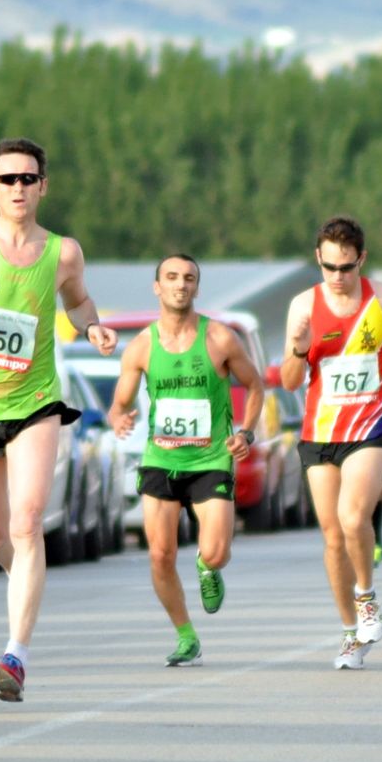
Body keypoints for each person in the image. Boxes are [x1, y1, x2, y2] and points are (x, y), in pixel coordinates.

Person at [0, 137, 117, 702]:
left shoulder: (63, 252)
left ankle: (16, 653)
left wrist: (93, 327)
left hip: (35, 401)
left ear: (43, 186)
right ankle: (27, 587)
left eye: (28, 179)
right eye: (8, 179)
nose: (18, 188)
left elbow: (79, 302)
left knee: (27, 520)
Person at [108, 254, 263, 666]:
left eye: (189, 278)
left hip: (211, 458)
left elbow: (255, 385)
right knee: (159, 554)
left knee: (216, 553)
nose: (181, 284)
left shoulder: (221, 339)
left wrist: (245, 432)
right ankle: (185, 635)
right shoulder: (141, 346)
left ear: (197, 288)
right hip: (161, 457)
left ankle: (207, 567)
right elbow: (119, 402)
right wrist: (119, 416)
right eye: (172, 278)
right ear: (157, 287)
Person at [278, 216, 382, 669]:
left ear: (362, 259)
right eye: (330, 267)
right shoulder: (302, 306)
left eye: (347, 268)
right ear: (319, 258)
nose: (338, 277)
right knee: (332, 536)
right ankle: (350, 632)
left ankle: (367, 597)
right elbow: (291, 379)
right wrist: (298, 349)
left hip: (370, 428)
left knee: (354, 516)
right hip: (320, 432)